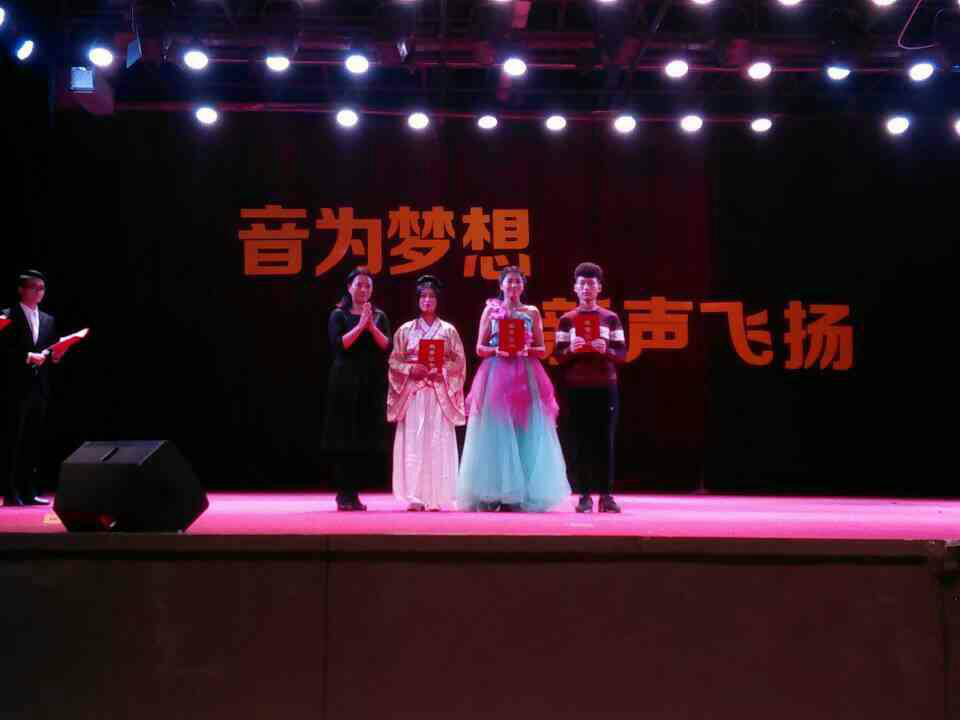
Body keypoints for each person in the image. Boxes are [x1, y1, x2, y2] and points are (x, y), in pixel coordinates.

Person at [456, 266, 570, 512]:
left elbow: (542, 350)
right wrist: (497, 350)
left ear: (523, 286)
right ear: (501, 285)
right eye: (509, 281)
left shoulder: (532, 312)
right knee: (495, 432)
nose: (513, 286)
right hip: (496, 374)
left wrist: (526, 349)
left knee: (524, 431)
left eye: (518, 281)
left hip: (525, 375)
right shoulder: (491, 310)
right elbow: (479, 348)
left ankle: (520, 494)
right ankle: (494, 492)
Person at [387, 275, 466, 511]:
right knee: (414, 441)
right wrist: (410, 369)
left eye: (431, 296)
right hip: (414, 391)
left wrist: (442, 370)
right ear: (417, 300)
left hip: (438, 390)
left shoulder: (448, 330)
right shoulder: (405, 330)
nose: (427, 300)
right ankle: (415, 497)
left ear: (438, 300)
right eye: (423, 296)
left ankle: (437, 497)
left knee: (438, 441)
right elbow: (394, 360)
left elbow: (459, 361)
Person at [554, 262, 626, 513]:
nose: (586, 288)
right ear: (575, 288)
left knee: (605, 441)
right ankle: (584, 496)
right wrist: (571, 350)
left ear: (599, 288)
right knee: (580, 441)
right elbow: (558, 356)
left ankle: (606, 496)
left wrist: (606, 350)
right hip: (576, 388)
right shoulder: (567, 319)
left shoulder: (611, 318)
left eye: (591, 284)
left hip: (605, 386)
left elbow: (622, 353)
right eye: (582, 284)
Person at [320, 267, 391, 511]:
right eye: (359, 284)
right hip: (344, 381)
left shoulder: (378, 315)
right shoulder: (338, 314)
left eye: (368, 286)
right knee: (344, 437)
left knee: (363, 437)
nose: (363, 289)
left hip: (370, 381)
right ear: (349, 287)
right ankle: (343, 494)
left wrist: (371, 326)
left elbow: (386, 345)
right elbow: (340, 344)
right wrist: (361, 326)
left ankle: (354, 494)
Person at [1, 270, 63, 507]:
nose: (39, 292)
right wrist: (26, 356)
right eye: (33, 287)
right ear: (21, 290)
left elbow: (50, 349)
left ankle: (28, 490)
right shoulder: (7, 315)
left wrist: (56, 355)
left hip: (39, 388)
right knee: (13, 441)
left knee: (32, 441)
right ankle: (10, 491)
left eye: (42, 288)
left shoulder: (48, 319)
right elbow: (3, 351)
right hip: (15, 388)